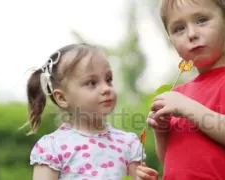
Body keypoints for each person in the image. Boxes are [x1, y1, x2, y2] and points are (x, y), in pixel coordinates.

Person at [147, 0, 225, 179]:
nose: (191, 34)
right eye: (179, 29)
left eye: (201, 20)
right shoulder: (177, 95)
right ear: (172, 44)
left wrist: (186, 108)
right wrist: (161, 132)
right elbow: (170, 162)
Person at [22, 43, 158, 180]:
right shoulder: (52, 147)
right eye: (92, 83)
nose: (106, 88)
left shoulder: (128, 144)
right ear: (62, 98)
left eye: (109, 79)